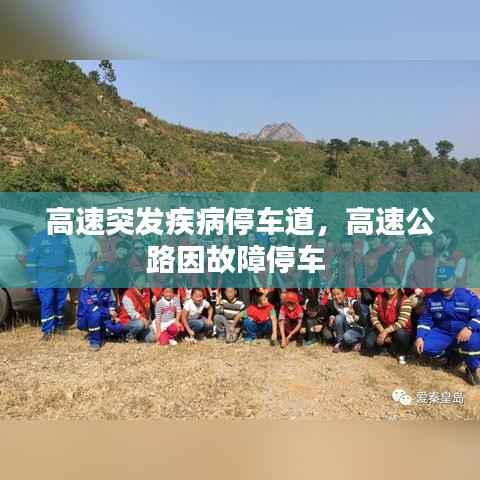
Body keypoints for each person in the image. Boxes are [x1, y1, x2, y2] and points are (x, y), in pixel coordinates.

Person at [415, 287, 480, 386]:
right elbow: (425, 320)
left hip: (464, 330)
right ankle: (454, 356)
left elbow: (478, 315)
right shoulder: (432, 298)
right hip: (443, 332)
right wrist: (420, 337)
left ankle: (472, 368)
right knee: (425, 348)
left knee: (473, 343)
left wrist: (469, 328)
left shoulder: (467, 296)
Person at [26, 228, 77, 341]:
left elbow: (70, 257)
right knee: (47, 302)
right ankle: (47, 331)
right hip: (45, 275)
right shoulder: (38, 237)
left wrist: (71, 271)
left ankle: (59, 326)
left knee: (60, 303)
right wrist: (33, 280)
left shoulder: (64, 237)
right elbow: (31, 260)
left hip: (62, 276)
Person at [362, 276, 413, 364]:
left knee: (401, 334)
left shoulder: (405, 300)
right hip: (383, 327)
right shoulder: (379, 297)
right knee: (368, 343)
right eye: (387, 284)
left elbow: (402, 322)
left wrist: (385, 332)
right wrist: (382, 331)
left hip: (398, 330)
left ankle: (402, 353)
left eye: (393, 284)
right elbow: (373, 317)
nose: (390, 287)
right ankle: (386, 348)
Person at [77, 264, 121, 351]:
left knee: (118, 327)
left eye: (102, 275)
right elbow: (90, 308)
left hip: (102, 316)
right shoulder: (86, 289)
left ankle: (102, 333)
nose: (100, 278)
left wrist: (113, 314)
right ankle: (95, 342)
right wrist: (108, 312)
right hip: (85, 318)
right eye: (98, 275)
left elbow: (111, 303)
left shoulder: (108, 288)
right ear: (94, 276)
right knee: (95, 314)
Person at [118, 272, 155, 342]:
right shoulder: (128, 294)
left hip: (143, 322)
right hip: (128, 321)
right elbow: (132, 313)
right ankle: (128, 336)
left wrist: (149, 320)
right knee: (139, 324)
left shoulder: (147, 292)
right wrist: (143, 319)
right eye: (139, 280)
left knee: (151, 338)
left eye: (143, 280)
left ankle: (137, 335)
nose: (141, 283)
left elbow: (148, 308)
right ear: (134, 281)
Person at [328, 288, 368, 353]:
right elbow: (333, 314)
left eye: (338, 294)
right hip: (347, 327)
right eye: (334, 295)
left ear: (344, 293)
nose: (336, 297)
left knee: (347, 337)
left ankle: (358, 342)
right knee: (338, 317)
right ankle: (340, 343)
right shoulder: (333, 303)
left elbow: (364, 323)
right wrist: (332, 317)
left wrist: (354, 315)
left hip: (358, 329)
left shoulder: (353, 303)